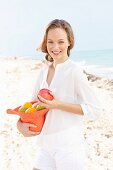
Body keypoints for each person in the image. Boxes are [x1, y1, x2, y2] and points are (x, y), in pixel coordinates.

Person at [17, 19, 101, 170]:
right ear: (45, 43)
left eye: (61, 41)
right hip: (46, 146)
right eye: (50, 42)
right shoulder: (44, 71)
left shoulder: (75, 71)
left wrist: (58, 105)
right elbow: (32, 106)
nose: (55, 47)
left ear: (70, 42)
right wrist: (20, 124)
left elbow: (95, 110)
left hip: (69, 148)